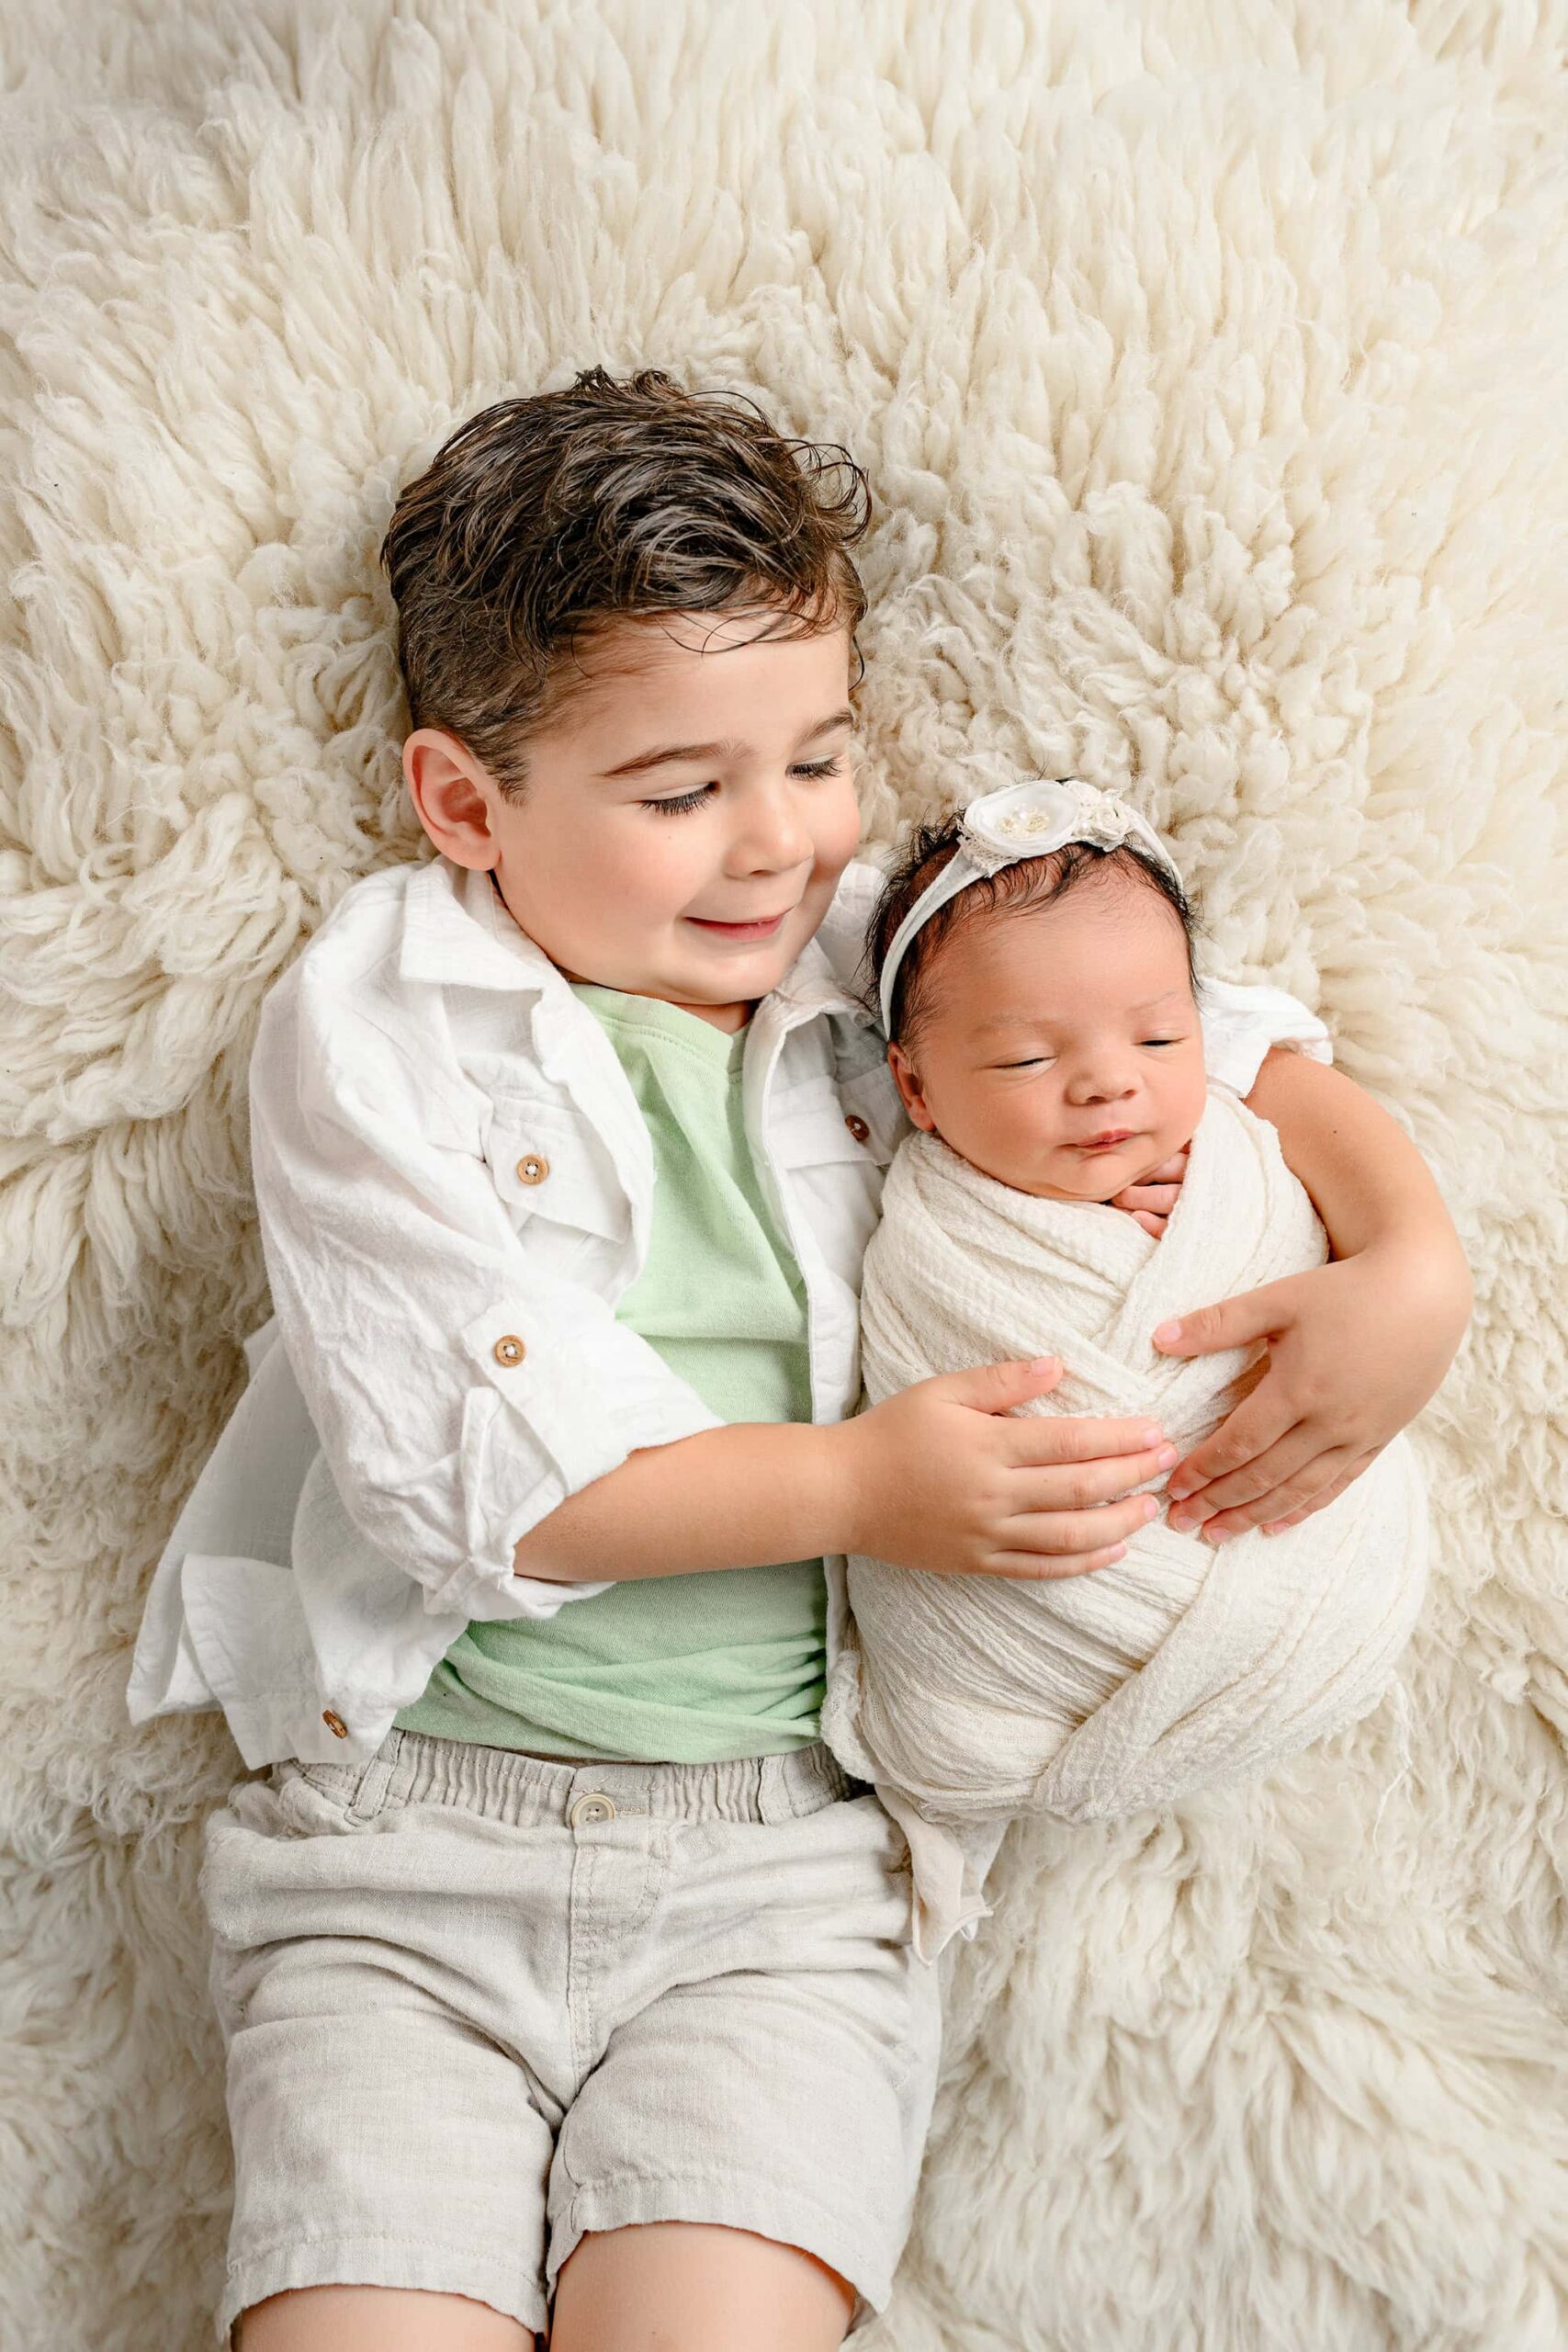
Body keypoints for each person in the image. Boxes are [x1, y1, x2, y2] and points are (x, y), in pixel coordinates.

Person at [123, 367, 1472, 2352]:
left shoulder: (867, 948)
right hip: (403, 1851)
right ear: (466, 802)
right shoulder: (376, 1020)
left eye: (817, 758)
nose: (772, 844)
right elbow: (463, 1487)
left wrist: (1410, 1260)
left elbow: (1216, 1022)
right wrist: (862, 1485)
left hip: (786, 1873)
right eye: (678, 793)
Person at [818, 777, 1431, 1917]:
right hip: (1005, 1675)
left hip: (1297, 1604)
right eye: (1021, 1062)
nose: (1111, 1080)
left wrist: (1283, 1233)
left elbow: (1290, 1129)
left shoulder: (1242, 1152)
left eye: (1159, 1035)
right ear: (916, 1087)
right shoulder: (933, 1229)